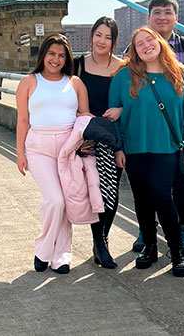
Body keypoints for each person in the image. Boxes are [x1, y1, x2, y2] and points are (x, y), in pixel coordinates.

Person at [110, 26, 184, 277]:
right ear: (135, 51)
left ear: (160, 42)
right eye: (139, 44)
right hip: (134, 149)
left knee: (162, 196)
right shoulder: (123, 76)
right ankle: (150, 246)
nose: (146, 46)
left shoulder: (182, 76)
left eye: (149, 40)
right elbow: (113, 114)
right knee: (141, 200)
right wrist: (118, 149)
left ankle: (176, 251)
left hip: (166, 148)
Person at [130, 0, 184, 257]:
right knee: (146, 187)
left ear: (176, 18)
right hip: (146, 133)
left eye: (167, 12)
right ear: (149, 18)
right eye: (157, 12)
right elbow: (127, 82)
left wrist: (173, 81)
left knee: (180, 185)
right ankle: (147, 230)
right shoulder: (137, 48)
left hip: (177, 131)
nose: (162, 17)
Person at [15, 34, 90, 274]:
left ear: (67, 59)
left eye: (61, 55)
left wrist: (83, 144)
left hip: (68, 147)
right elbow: (23, 120)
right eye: (51, 54)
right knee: (54, 200)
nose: (56, 59)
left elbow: (84, 118)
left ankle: (61, 256)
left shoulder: (75, 83)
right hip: (39, 148)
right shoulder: (29, 82)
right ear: (43, 55)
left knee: (64, 202)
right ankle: (43, 250)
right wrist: (20, 153)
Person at [73, 17, 124, 269]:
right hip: (85, 138)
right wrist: (75, 140)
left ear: (114, 42)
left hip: (113, 139)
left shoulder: (123, 68)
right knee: (93, 191)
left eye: (108, 37)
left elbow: (134, 99)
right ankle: (99, 243)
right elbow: (64, 99)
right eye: (98, 35)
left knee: (110, 191)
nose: (102, 41)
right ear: (91, 35)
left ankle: (101, 241)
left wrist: (121, 110)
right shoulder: (77, 65)